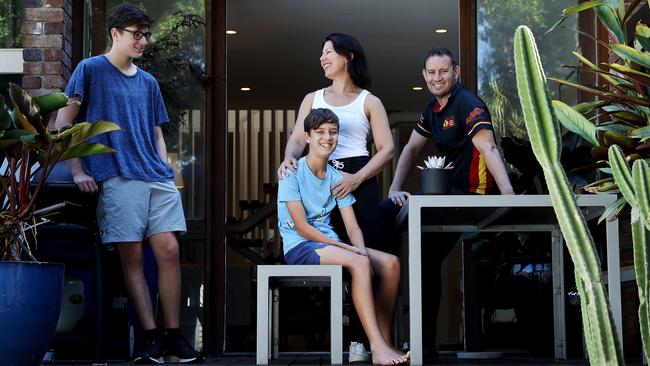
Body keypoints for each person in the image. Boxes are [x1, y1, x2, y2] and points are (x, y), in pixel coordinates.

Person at [54, 4, 202, 364]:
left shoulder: (149, 82)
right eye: (136, 34)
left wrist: (165, 166)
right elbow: (63, 122)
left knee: (168, 251)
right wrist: (77, 171)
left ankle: (172, 336)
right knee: (132, 258)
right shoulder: (89, 70)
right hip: (117, 177)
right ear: (116, 33)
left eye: (146, 34)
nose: (143, 41)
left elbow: (156, 131)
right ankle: (150, 337)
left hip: (155, 177)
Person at [380, 47, 514, 356]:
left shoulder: (467, 102)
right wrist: (394, 188)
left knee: (424, 253)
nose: (437, 77)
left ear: (456, 72)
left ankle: (422, 344)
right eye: (431, 72)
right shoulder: (433, 109)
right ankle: (423, 344)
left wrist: (509, 196)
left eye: (443, 71)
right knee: (397, 223)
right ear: (424, 76)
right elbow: (411, 150)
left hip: (471, 194)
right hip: (448, 194)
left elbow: (489, 148)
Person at [276, 33, 394, 360]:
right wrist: (287, 159)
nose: (323, 58)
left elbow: (387, 149)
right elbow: (297, 141)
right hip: (321, 183)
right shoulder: (312, 98)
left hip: (358, 185)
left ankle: (371, 342)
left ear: (349, 56)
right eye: (322, 53)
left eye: (329, 52)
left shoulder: (369, 101)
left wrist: (356, 179)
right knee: (346, 262)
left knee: (369, 262)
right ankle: (355, 342)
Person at [277, 108, 408, 366]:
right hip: (300, 246)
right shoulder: (291, 173)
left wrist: (358, 249)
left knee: (391, 264)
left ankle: (384, 341)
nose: (328, 138)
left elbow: (353, 228)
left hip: (331, 245)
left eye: (333, 132)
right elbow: (302, 228)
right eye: (320, 133)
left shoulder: (336, 177)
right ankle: (378, 347)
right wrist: (351, 252)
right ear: (307, 137)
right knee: (359, 262)